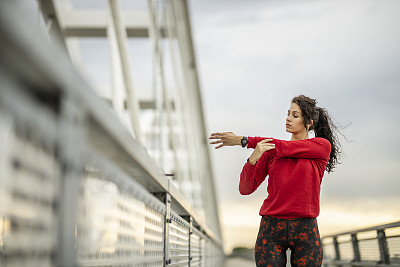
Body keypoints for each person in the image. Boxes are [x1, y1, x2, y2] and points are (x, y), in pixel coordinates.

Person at [209, 95, 342, 267]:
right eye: (288, 114)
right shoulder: (269, 152)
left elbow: (287, 148)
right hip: (271, 228)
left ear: (308, 122)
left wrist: (243, 140)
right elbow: (245, 189)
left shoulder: (321, 147)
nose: (288, 118)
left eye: (295, 115)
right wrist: (252, 160)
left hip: (305, 229)